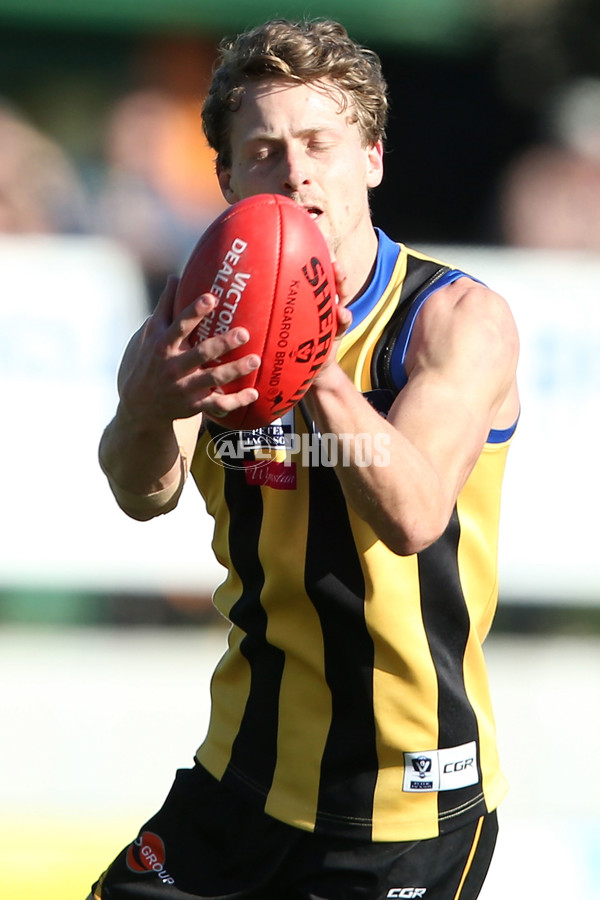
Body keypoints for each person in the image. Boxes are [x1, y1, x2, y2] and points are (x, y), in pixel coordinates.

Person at [90, 18, 520, 900]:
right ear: (227, 177)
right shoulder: (199, 327)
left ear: (372, 158)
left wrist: (312, 359)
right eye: (265, 150)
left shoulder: (453, 321)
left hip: (404, 807)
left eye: (321, 144)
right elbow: (143, 492)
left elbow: (414, 516)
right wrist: (146, 406)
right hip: (243, 770)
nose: (296, 172)